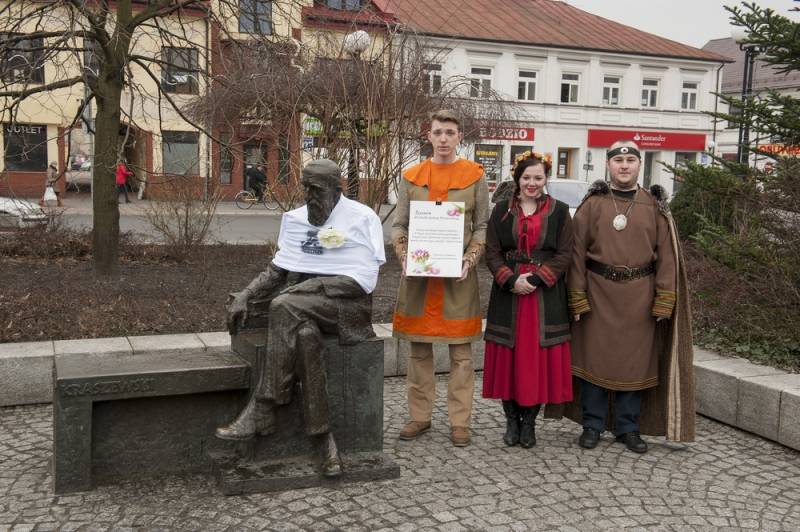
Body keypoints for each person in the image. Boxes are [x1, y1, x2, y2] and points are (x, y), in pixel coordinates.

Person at [216, 159, 386, 477]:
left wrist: (312, 285)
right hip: (304, 309)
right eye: (305, 188)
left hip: (346, 309)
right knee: (305, 336)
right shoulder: (297, 220)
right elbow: (277, 270)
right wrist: (246, 295)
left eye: (316, 190)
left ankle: (264, 406)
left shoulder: (363, 218)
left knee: (284, 305)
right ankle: (323, 440)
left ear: (336, 190)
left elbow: (362, 282)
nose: (309, 196)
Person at [565, 140, 695, 453]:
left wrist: (664, 299)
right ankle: (592, 424)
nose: (624, 166)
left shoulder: (654, 205)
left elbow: (667, 257)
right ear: (608, 164)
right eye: (618, 160)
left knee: (635, 364)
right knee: (594, 359)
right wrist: (577, 295)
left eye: (630, 161)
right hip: (598, 293)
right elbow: (575, 253)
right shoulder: (592, 204)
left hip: (640, 297)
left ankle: (628, 428)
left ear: (640, 165)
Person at [392, 110, 490, 447]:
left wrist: (470, 258)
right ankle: (419, 416)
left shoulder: (475, 176)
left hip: (457, 281)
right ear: (429, 136)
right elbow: (400, 225)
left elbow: (481, 226)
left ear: (459, 137)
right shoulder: (412, 176)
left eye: (450, 132)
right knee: (418, 352)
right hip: (419, 280)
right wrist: (404, 256)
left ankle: (460, 422)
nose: (444, 138)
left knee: (462, 356)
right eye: (438, 132)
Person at [482, 152, 574, 448]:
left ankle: (529, 423)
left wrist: (536, 279)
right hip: (508, 295)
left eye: (538, 177)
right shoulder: (501, 210)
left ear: (546, 179)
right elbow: (492, 252)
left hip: (544, 296)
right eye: (526, 178)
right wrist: (511, 280)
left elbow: (565, 253)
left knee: (535, 360)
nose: (532, 183)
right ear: (517, 179)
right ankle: (512, 421)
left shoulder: (559, 211)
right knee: (509, 358)